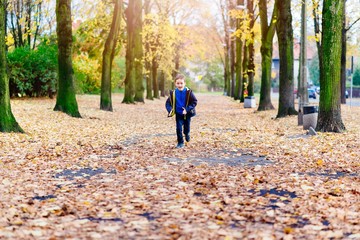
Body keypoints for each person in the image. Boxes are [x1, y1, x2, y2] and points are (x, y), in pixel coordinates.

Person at [165, 74, 197, 148]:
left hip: (187, 114)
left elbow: (194, 101)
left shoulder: (189, 92)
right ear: (175, 84)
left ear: (184, 83)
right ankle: (180, 142)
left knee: (186, 128)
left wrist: (187, 109)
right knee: (178, 128)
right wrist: (170, 110)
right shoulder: (173, 93)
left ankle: (187, 134)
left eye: (181, 83)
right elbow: (167, 103)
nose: (180, 85)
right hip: (178, 114)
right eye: (178, 83)